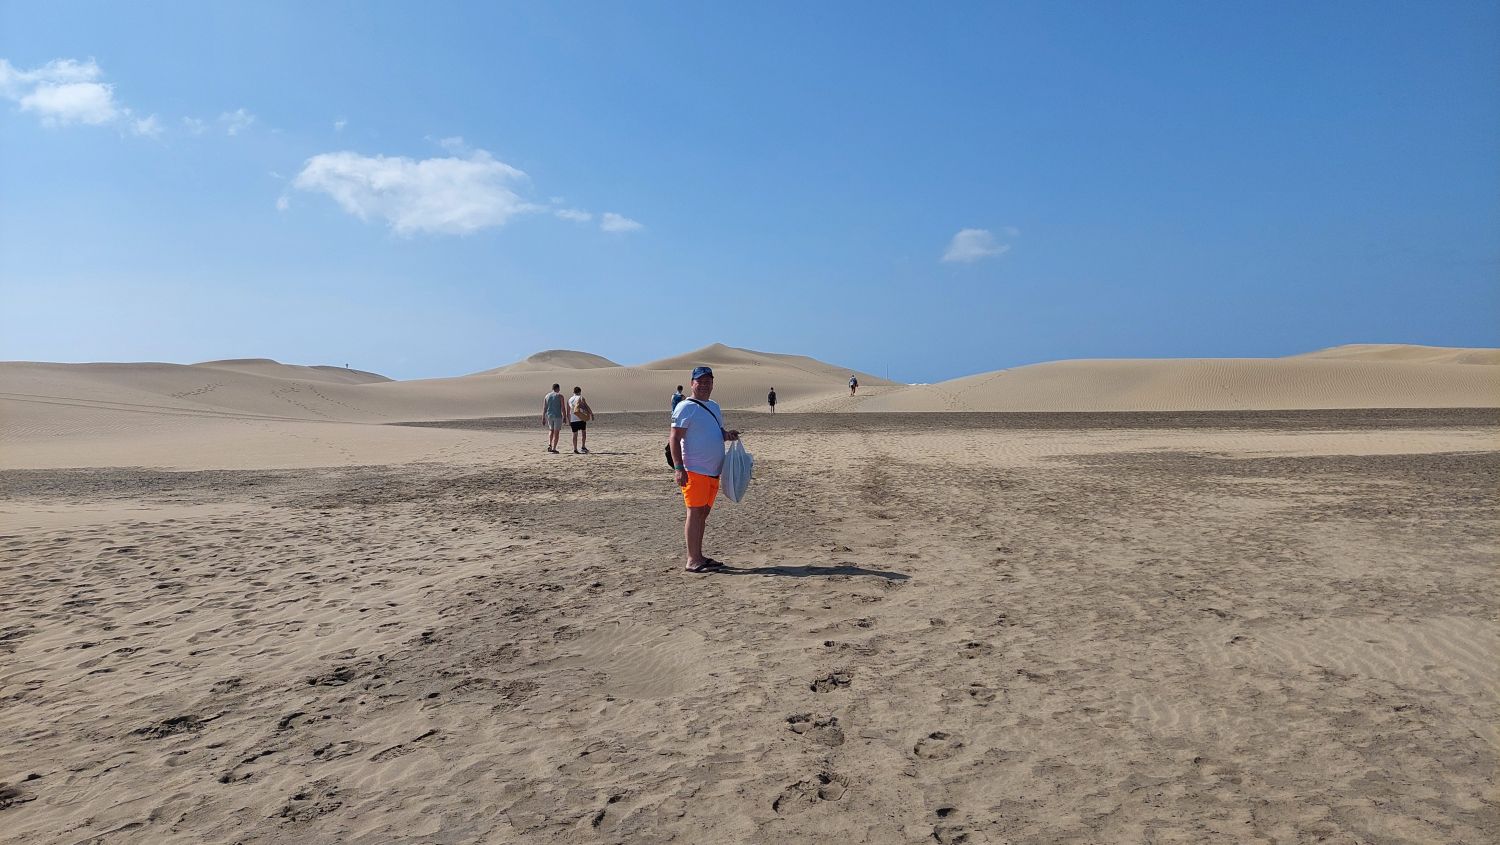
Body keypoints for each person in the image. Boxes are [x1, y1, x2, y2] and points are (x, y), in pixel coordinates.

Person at [669, 366, 740, 572]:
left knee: (703, 514)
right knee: (694, 513)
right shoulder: (685, 407)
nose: (704, 385)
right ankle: (693, 559)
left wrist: (727, 435)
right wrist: (679, 467)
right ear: (692, 383)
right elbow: (674, 438)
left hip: (713, 471)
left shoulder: (714, 406)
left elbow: (716, 431)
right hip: (694, 470)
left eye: (708, 382)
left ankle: (699, 556)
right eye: (700, 381)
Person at [542, 383, 565, 453]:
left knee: (551, 430)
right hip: (557, 415)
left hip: (549, 415)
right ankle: (554, 448)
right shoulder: (560, 396)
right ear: (558, 388)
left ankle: (550, 444)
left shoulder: (547, 396)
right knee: (556, 432)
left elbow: (544, 408)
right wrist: (565, 416)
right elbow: (563, 407)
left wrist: (543, 417)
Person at [568, 386, 592, 454]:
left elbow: (568, 411)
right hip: (581, 417)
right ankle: (583, 446)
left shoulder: (570, 399)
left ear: (573, 392)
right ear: (580, 392)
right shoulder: (581, 397)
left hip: (573, 419)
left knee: (574, 434)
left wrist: (569, 420)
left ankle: (575, 448)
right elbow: (585, 406)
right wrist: (591, 413)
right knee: (583, 432)